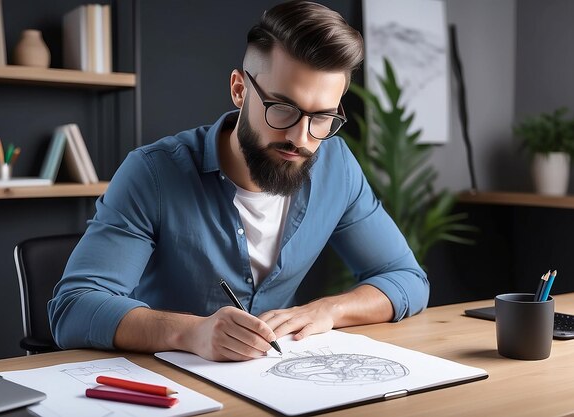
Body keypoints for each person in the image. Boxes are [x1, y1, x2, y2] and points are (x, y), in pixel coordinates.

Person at [48, 0, 429, 362]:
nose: (301, 137)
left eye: (322, 117)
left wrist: (330, 309)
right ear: (239, 89)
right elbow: (75, 306)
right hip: (168, 388)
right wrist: (190, 333)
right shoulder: (153, 173)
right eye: (283, 108)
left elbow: (407, 279)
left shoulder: (337, 166)